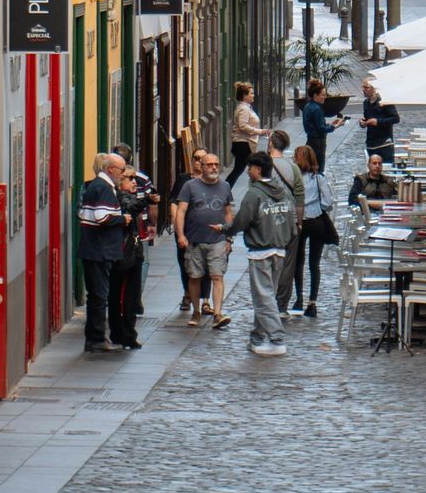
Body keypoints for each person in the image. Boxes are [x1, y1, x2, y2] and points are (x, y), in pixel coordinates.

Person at [226, 149, 296, 356]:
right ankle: (257, 337)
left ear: (256, 170)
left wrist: (225, 230)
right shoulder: (283, 193)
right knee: (267, 295)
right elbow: (292, 224)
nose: (247, 171)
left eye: (249, 168)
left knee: (263, 297)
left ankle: (277, 338)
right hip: (280, 250)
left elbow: (241, 221)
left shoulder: (254, 194)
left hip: (261, 251)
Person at [172, 150, 234, 325]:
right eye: (209, 164)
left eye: (216, 164)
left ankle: (217, 313)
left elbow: (228, 213)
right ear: (202, 166)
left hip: (218, 240)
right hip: (195, 239)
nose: (214, 167)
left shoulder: (225, 186)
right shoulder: (190, 186)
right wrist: (181, 235)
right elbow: (181, 211)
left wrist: (229, 237)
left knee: (217, 276)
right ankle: (196, 312)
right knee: (195, 276)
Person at [77, 152, 128, 353]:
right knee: (99, 295)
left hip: (93, 249)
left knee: (96, 296)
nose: (123, 174)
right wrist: (123, 220)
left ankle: (94, 337)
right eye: (122, 170)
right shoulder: (104, 188)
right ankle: (97, 339)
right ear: (111, 169)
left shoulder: (96, 186)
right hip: (100, 250)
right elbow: (102, 217)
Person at [109, 142, 157, 350]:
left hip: (132, 250)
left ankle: (124, 333)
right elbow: (130, 208)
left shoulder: (126, 194)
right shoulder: (121, 197)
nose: (134, 182)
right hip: (124, 252)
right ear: (120, 181)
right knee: (122, 294)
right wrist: (145, 200)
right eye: (129, 179)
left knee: (128, 294)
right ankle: (123, 333)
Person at [291, 143, 336, 315]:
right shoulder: (318, 178)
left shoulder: (293, 179)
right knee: (314, 263)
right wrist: (318, 206)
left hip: (299, 221)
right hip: (316, 221)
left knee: (298, 261)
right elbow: (328, 202)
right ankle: (312, 302)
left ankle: (299, 299)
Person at [269, 128, 306, 311]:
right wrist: (299, 221)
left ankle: (267, 298)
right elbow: (300, 196)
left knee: (268, 260)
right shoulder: (293, 168)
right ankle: (281, 303)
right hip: (290, 220)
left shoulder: (262, 166)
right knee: (288, 264)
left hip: (268, 221)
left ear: (270, 144)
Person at [359, 79, 400, 168]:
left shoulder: (384, 101)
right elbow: (367, 118)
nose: (363, 89)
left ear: (374, 88)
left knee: (386, 171)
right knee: (372, 173)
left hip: (384, 144)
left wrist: (378, 121)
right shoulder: (366, 103)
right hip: (371, 144)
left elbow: (396, 118)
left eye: (366, 87)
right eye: (363, 87)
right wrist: (363, 122)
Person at [228, 82, 263, 186]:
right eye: (251, 93)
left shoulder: (246, 107)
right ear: (244, 96)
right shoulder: (243, 109)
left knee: (240, 170)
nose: (253, 95)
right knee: (251, 168)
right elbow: (243, 126)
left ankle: (225, 191)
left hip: (245, 143)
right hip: (243, 144)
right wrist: (260, 131)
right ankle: (224, 191)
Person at [300, 79, 331, 169]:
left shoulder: (308, 106)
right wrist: (334, 126)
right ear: (315, 95)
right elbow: (321, 128)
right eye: (323, 95)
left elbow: (317, 124)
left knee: (311, 165)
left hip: (310, 140)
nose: (324, 97)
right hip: (318, 142)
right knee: (318, 167)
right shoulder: (316, 109)